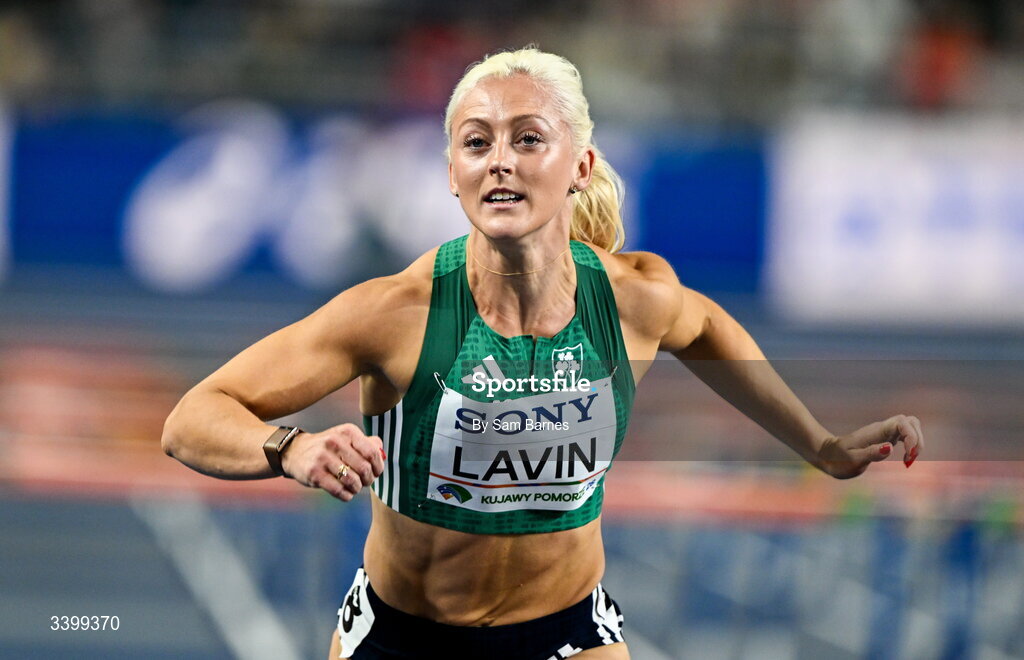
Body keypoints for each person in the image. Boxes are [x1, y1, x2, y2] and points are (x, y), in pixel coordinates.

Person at [161, 46, 924, 660]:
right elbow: (191, 419)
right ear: (452, 173)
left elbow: (708, 330)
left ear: (580, 165)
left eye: (529, 138)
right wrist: (287, 447)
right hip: (406, 638)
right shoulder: (397, 315)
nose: (501, 161)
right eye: (477, 143)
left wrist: (820, 446)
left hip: (567, 635)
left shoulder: (633, 300)